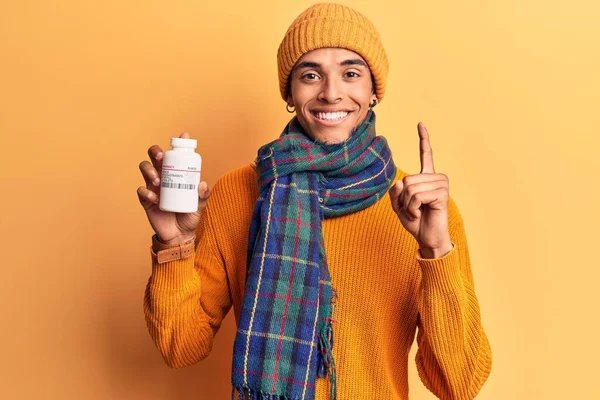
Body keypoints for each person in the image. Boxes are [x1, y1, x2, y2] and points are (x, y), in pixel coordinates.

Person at [137, 3, 492, 399]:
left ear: (374, 90)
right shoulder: (239, 192)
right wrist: (173, 245)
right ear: (290, 92)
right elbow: (180, 348)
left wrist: (435, 248)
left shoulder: (422, 206)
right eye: (310, 75)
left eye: (351, 73)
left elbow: (459, 384)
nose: (331, 93)